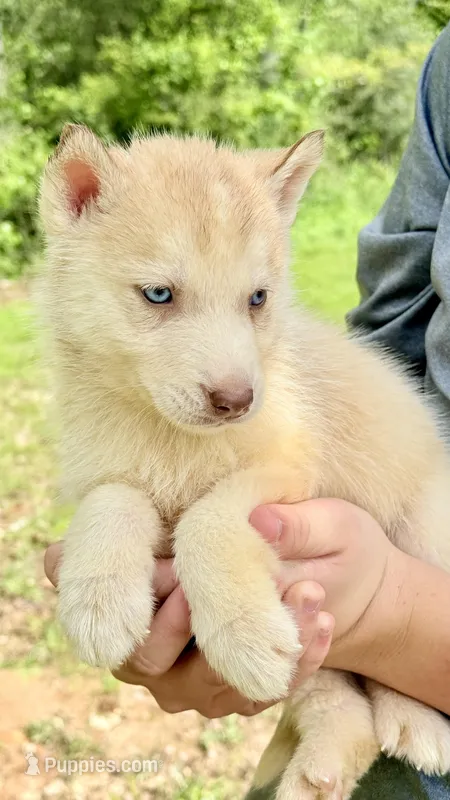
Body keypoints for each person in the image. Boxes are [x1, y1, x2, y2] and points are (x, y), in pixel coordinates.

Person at [44, 21, 450, 800]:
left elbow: (281, 474)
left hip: (414, 510)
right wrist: (110, 522)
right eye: (159, 295)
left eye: (256, 300)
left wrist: (395, 618)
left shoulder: (272, 390)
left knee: (225, 528)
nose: (234, 378)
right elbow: (396, 318)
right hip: (336, 603)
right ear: (77, 200)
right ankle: (338, 719)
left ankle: (394, 689)